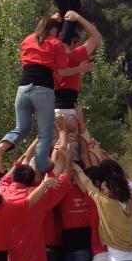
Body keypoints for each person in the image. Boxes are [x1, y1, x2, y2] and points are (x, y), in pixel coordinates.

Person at [0, 15, 70, 175]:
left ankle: (0, 149)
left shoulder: (27, 39)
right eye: (56, 31)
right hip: (43, 89)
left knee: (21, 128)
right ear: (53, 30)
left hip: (23, 88)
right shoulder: (56, 43)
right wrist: (79, 69)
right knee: (45, 133)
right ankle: (41, 167)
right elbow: (62, 69)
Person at [53, 12, 101, 162]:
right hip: (69, 109)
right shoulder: (77, 54)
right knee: (72, 158)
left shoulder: (51, 54)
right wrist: (78, 17)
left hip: (51, 109)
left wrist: (51, 21)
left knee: (54, 155)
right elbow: (96, 37)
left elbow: (37, 39)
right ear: (74, 41)